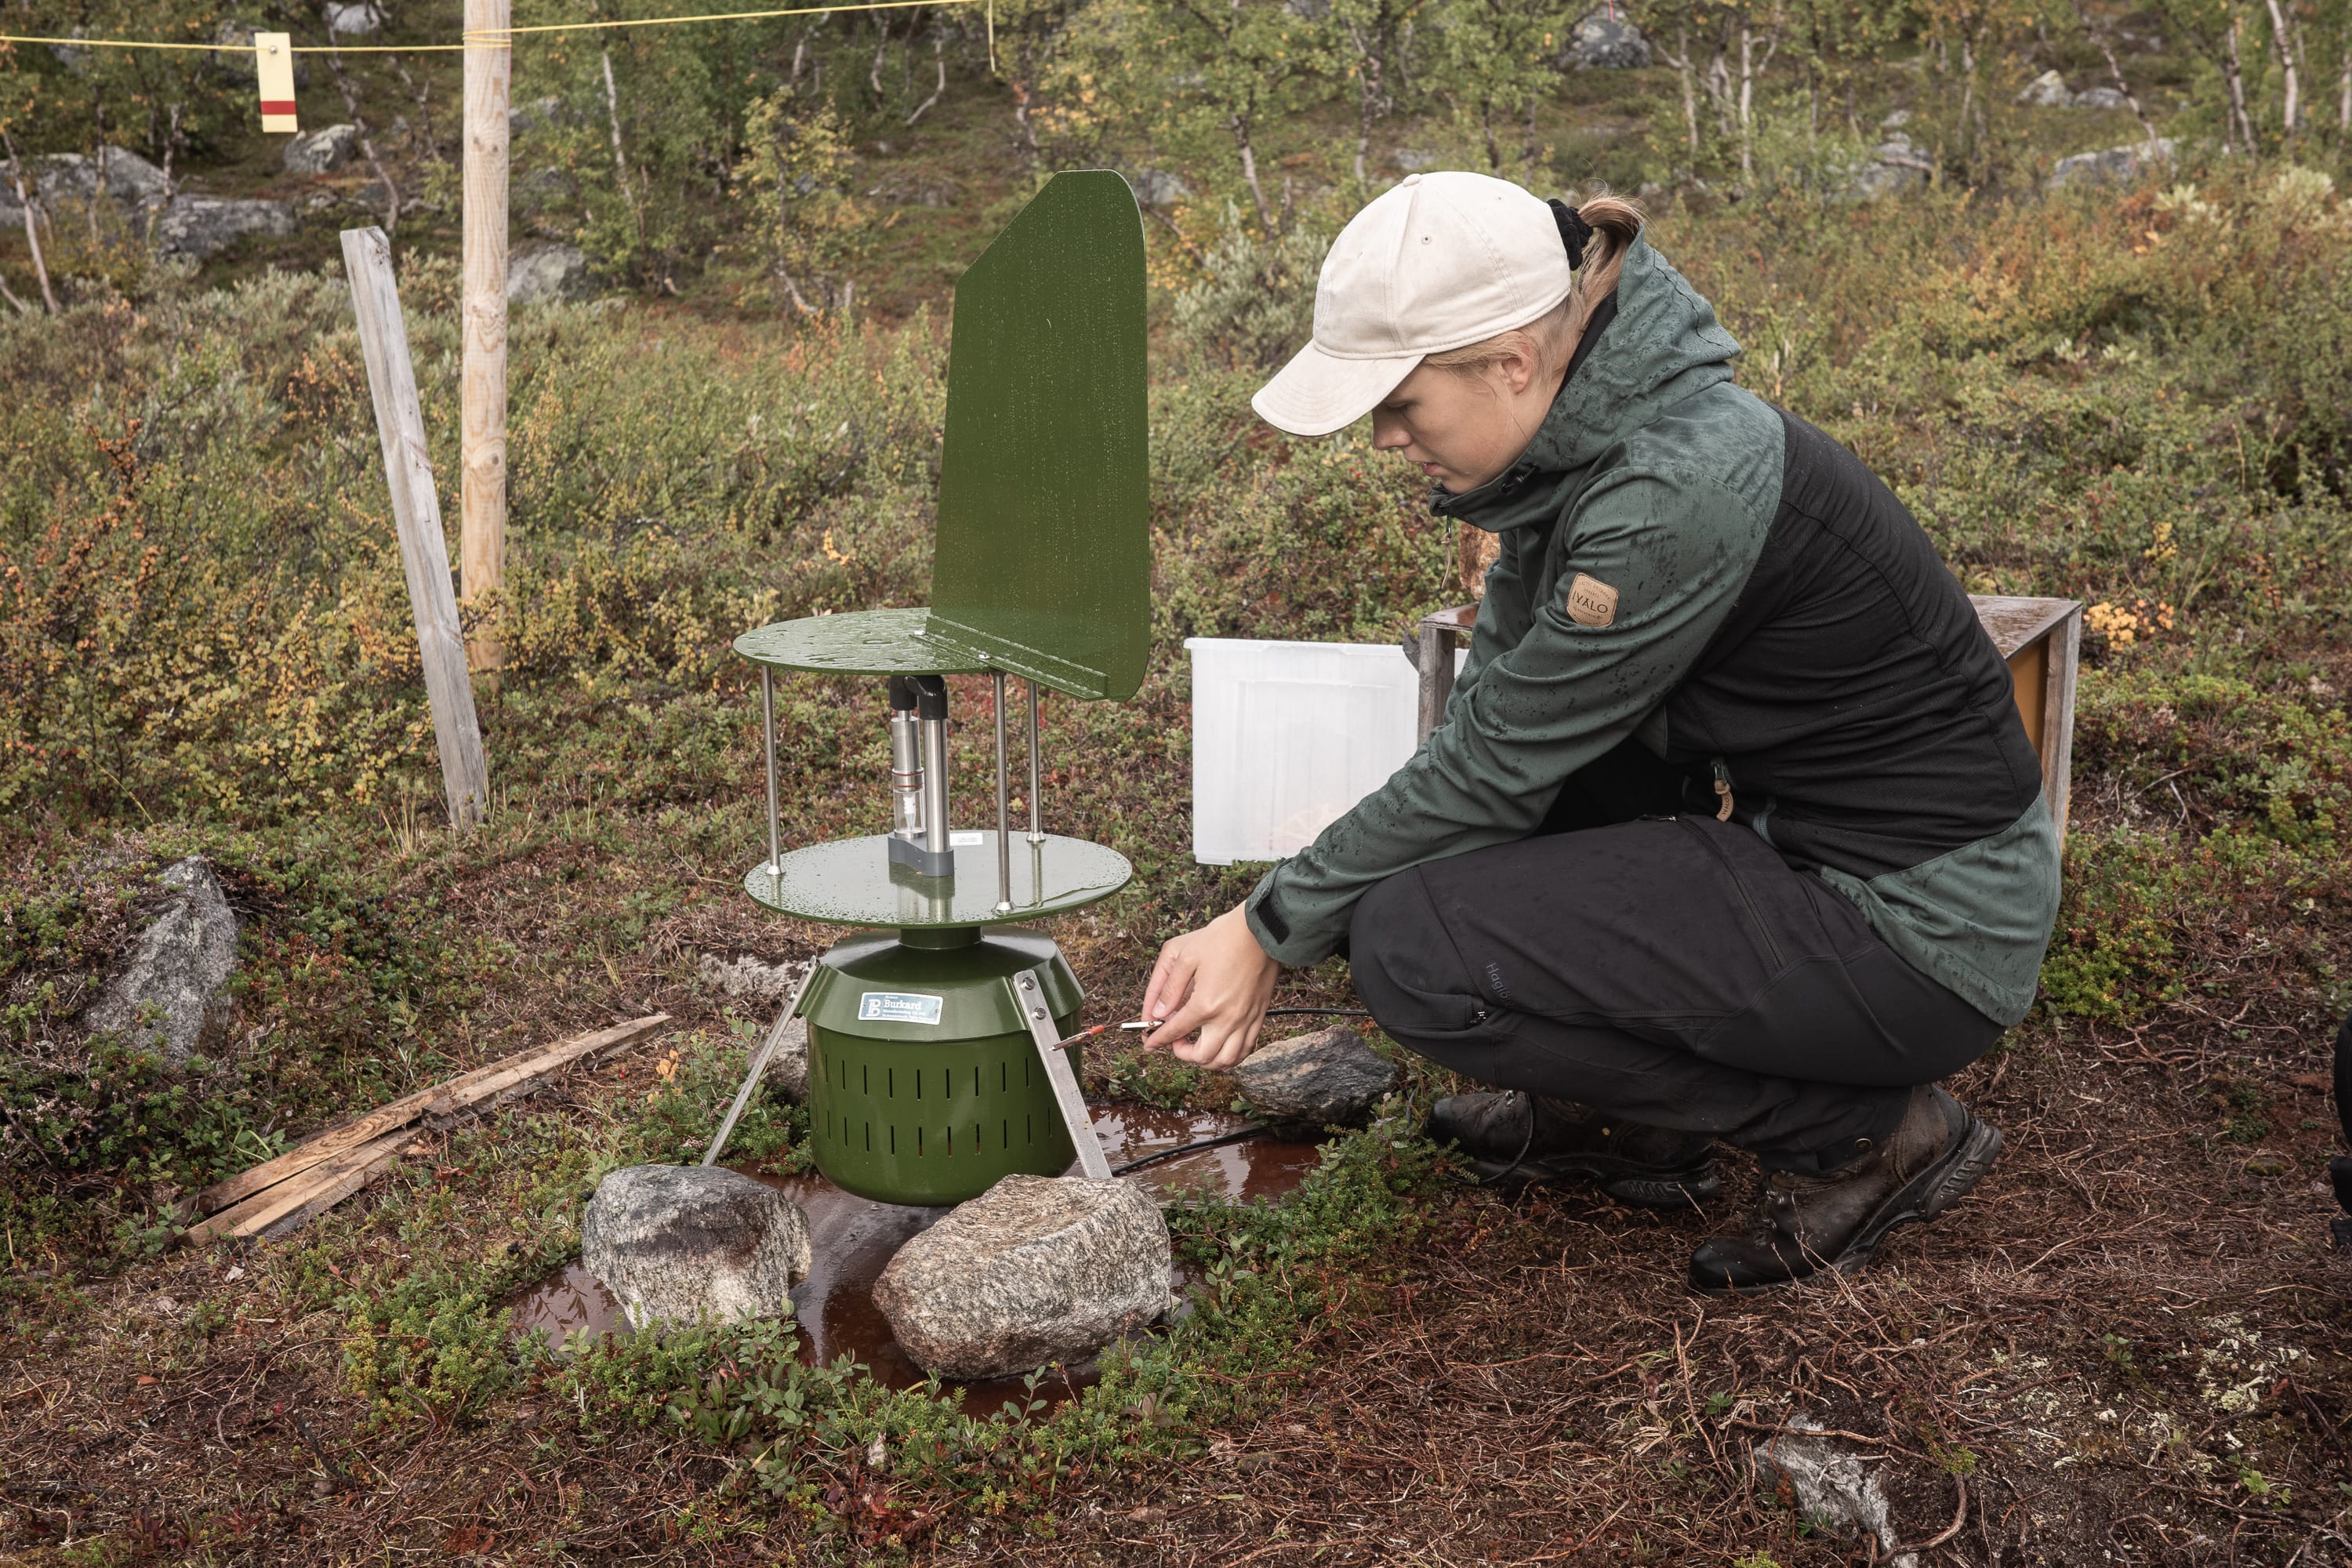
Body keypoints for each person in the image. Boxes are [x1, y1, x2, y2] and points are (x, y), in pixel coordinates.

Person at [1139, 172, 2060, 1295]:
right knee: (1475, 841)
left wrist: (1272, 922)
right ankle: (1632, 1120)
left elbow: (1490, 768)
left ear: (1512, 362)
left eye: (1401, 402)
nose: (1385, 438)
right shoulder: (1583, 441)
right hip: (1821, 857)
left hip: (1924, 932)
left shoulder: (1673, 487)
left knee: (1415, 954)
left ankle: (1867, 1132)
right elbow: (1506, 719)